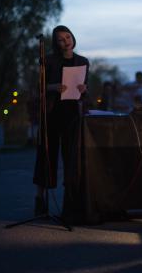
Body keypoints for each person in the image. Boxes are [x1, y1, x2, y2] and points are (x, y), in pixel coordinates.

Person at [32, 25, 89, 221]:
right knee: (47, 156)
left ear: (73, 37)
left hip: (72, 115)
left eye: (68, 36)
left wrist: (84, 88)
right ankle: (40, 201)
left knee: (70, 159)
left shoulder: (83, 61)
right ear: (56, 44)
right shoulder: (48, 60)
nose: (66, 41)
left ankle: (69, 205)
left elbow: (84, 89)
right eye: (61, 39)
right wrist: (52, 87)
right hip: (51, 113)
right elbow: (38, 87)